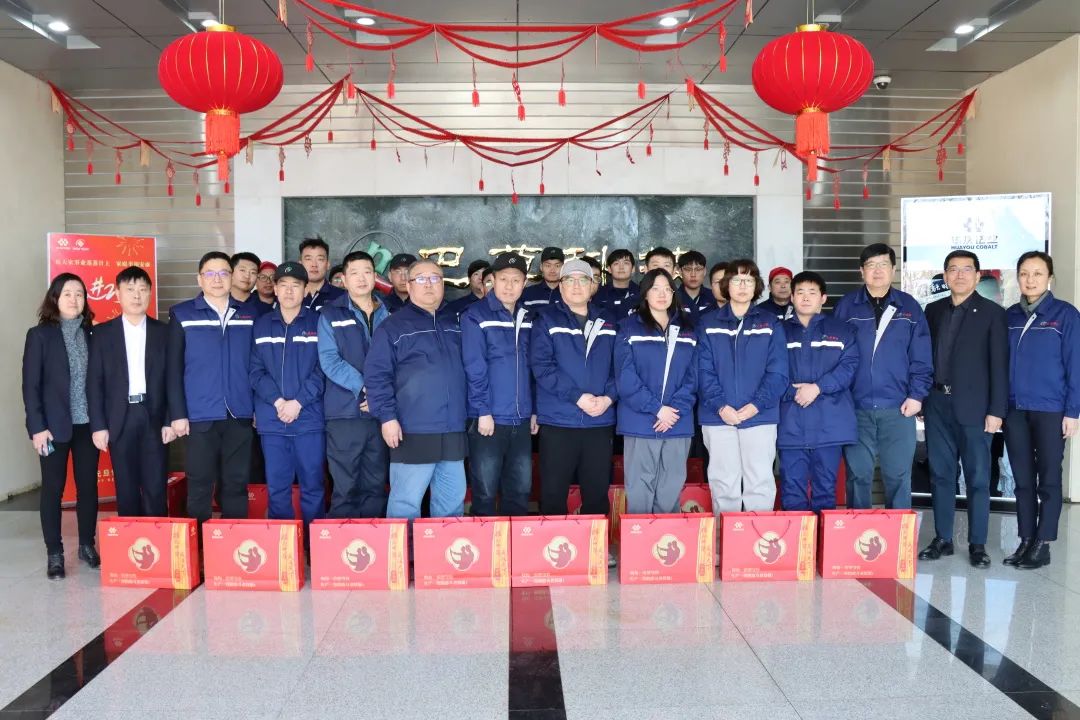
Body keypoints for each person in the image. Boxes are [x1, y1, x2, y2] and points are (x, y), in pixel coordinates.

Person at [918, 251, 1008, 568]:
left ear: (978, 275)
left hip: (976, 407)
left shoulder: (993, 314)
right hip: (937, 403)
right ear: (945, 276)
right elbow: (924, 358)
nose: (959, 275)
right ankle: (943, 538)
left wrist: (997, 411)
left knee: (978, 478)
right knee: (941, 474)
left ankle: (977, 544)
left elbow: (1000, 366)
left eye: (966, 269)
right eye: (953, 270)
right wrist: (922, 398)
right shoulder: (933, 310)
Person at [365, 260, 469, 521]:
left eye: (435, 278)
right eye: (421, 279)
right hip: (412, 430)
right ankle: (403, 549)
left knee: (451, 504)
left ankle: (443, 549)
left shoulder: (455, 323)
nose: (429, 284)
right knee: (405, 504)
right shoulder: (393, 327)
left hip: (453, 429)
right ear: (409, 286)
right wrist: (387, 418)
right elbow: (377, 376)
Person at [530, 259, 618, 563]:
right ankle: (553, 550)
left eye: (584, 280)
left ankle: (596, 550)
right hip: (560, 420)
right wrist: (578, 397)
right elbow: (542, 367)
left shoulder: (609, 321)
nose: (577, 285)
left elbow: (622, 366)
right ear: (560, 286)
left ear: (593, 286)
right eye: (570, 280)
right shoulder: (546, 320)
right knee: (553, 489)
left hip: (599, 420)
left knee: (596, 489)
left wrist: (607, 399)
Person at [833, 243, 932, 510]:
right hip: (856, 408)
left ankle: (897, 534)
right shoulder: (846, 307)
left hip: (898, 408)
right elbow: (834, 356)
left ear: (894, 270)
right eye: (871, 265)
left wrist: (917, 395)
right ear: (861, 271)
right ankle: (857, 532)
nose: (877, 271)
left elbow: (921, 356)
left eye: (883, 265)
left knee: (898, 477)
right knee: (858, 476)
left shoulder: (909, 307)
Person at [167, 251, 258, 524]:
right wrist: (177, 414)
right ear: (200, 279)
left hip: (240, 412)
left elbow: (257, 364)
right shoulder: (182, 314)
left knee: (236, 482)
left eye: (223, 273)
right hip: (199, 414)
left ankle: (232, 540)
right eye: (210, 273)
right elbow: (173, 369)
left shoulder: (249, 314)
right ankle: (200, 543)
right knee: (200, 482)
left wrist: (256, 407)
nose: (217, 279)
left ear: (232, 277)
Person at [1002, 251, 1080, 569]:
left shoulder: (1065, 315)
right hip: (1015, 410)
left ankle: (1043, 543)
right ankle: (1025, 539)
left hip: (1051, 410)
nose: (1030, 280)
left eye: (1037, 273)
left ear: (1050, 278)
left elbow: (1075, 365)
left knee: (1048, 478)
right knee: (1022, 479)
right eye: (1024, 273)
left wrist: (1072, 411)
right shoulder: (1009, 316)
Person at [22, 274, 99, 579]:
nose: (74, 299)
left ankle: (87, 545)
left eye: (79, 294)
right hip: (52, 428)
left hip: (88, 425)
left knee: (88, 488)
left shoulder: (92, 334)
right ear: (55, 298)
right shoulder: (40, 336)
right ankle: (54, 552)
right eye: (67, 293)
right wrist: (37, 427)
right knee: (53, 490)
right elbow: (30, 386)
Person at [697, 259, 788, 512]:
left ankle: (756, 535)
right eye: (737, 280)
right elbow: (702, 371)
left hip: (759, 415)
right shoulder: (708, 323)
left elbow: (779, 372)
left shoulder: (770, 323)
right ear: (726, 285)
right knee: (723, 481)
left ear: (756, 286)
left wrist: (756, 405)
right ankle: (725, 533)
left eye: (749, 280)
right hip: (718, 416)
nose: (743, 286)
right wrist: (721, 406)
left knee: (759, 480)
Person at [88, 267, 174, 518]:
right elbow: (94, 383)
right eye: (130, 289)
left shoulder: (165, 332)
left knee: (156, 485)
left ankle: (157, 535)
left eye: (142, 289)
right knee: (125, 487)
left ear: (149, 294)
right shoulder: (102, 333)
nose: (137, 295)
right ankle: (130, 537)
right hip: (119, 416)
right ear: (118, 294)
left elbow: (173, 380)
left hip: (153, 415)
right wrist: (98, 426)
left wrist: (170, 419)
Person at [616, 269, 698, 514]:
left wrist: (674, 410)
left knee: (671, 484)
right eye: (655, 289)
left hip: (677, 420)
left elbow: (694, 375)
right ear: (645, 293)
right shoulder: (629, 327)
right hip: (641, 419)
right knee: (639, 486)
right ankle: (640, 534)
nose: (662, 294)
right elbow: (625, 376)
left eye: (667, 289)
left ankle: (664, 535)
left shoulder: (688, 328)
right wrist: (656, 408)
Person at [251, 262, 326, 528]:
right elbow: (255, 371)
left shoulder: (319, 323)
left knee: (313, 485)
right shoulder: (262, 325)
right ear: (275, 289)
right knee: (277, 488)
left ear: (306, 290)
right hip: (273, 420)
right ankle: (284, 546)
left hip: (309, 420)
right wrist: (279, 402)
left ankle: (313, 545)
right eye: (283, 285)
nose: (289, 291)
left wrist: (299, 402)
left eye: (296, 285)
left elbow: (323, 369)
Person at [461, 252, 537, 516]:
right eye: (503, 279)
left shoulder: (528, 317)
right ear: (492, 280)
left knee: (520, 490)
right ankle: (486, 542)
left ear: (524, 283)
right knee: (485, 490)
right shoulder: (475, 315)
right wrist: (482, 411)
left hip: (522, 418)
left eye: (516, 280)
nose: (509, 286)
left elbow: (534, 368)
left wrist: (534, 410)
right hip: (488, 419)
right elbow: (475, 367)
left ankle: (513, 541)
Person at [777, 271, 858, 512]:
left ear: (823, 298)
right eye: (800, 292)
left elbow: (849, 367)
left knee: (825, 490)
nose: (805, 297)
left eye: (812, 292)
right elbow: (767, 371)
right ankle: (798, 538)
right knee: (792, 490)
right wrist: (791, 392)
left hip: (829, 424)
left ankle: (823, 537)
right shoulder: (777, 331)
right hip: (790, 423)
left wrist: (817, 387)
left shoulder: (842, 330)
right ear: (792, 297)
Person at [318, 251, 390, 518]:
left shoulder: (388, 313)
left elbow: (395, 360)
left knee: (375, 483)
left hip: (379, 414)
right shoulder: (330, 314)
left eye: (367, 272)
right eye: (354, 273)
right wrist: (366, 387)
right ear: (344, 280)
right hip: (345, 413)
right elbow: (329, 360)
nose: (361, 278)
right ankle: (341, 539)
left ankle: (371, 538)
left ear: (375, 277)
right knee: (345, 484)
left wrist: (379, 395)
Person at [299, 236, 345, 311]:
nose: (314, 264)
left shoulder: (342, 297)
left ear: (328, 264)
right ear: (300, 264)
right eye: (308, 259)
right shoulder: (289, 295)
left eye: (320, 259)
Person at [594, 248, 639, 319]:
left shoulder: (641, 293)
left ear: (633, 269)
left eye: (626, 263)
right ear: (609, 269)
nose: (621, 267)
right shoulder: (599, 293)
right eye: (616, 263)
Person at [676, 250, 715, 322]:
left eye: (698, 269)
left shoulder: (714, 297)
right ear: (680, 272)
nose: (693, 274)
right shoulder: (672, 298)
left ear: (704, 271)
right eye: (688, 269)